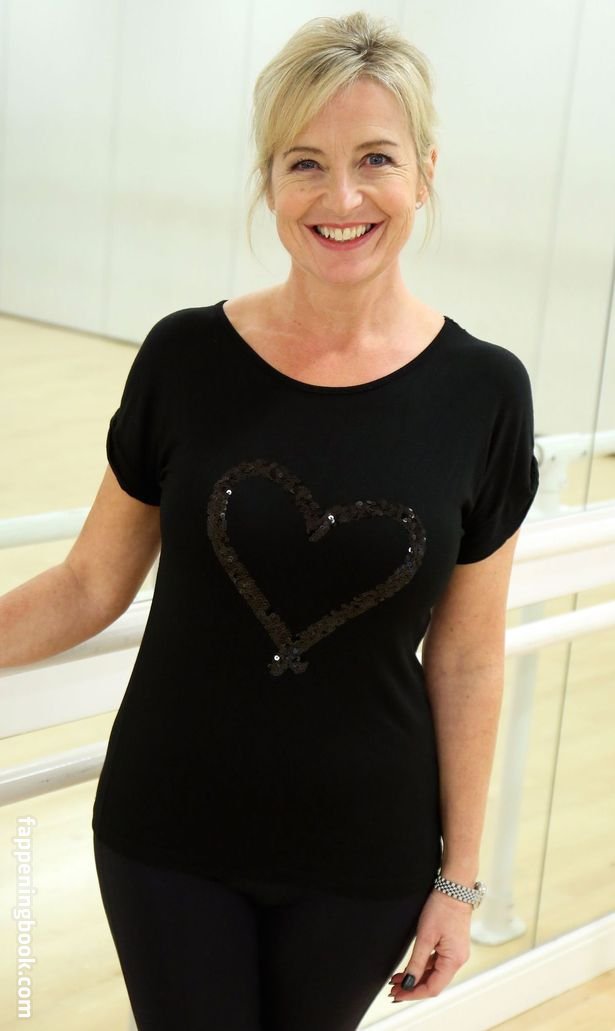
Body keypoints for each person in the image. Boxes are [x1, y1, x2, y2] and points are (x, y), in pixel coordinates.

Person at [0, 11, 539, 1030]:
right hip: (169, 831)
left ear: (424, 172)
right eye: (306, 164)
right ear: (269, 182)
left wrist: (460, 880)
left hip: (365, 857)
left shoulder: (485, 394)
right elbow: (88, 583)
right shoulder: (184, 358)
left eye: (375, 158)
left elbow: (468, 655)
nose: (341, 198)